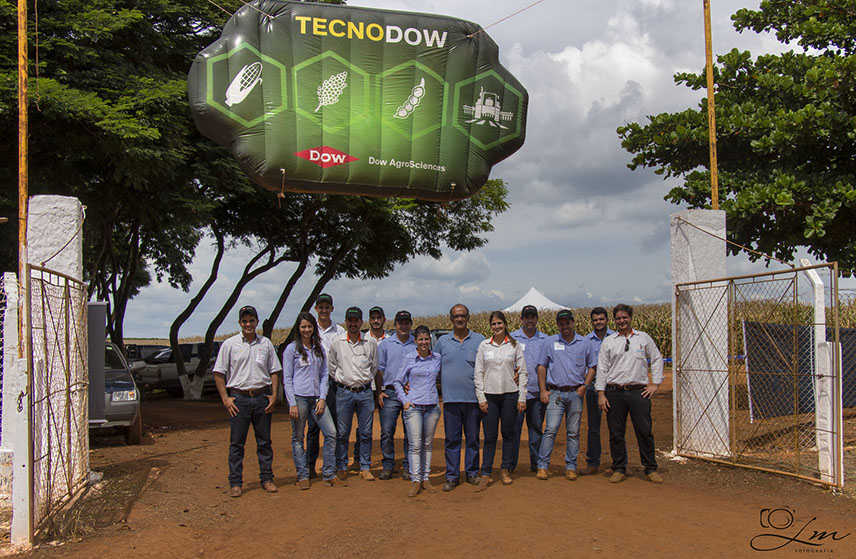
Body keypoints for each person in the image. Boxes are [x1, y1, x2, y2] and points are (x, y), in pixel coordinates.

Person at [212, 305, 282, 498]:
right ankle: (236, 483)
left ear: (257, 322)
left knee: (264, 442)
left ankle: (267, 479)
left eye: (251, 321)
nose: (248, 324)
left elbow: (274, 371)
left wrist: (274, 395)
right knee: (237, 444)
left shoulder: (265, 344)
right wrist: (225, 398)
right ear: (240, 323)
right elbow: (219, 373)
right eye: (245, 321)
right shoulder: (230, 345)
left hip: (262, 398)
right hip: (239, 400)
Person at [596, 304, 664, 484]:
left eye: (625, 317)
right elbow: (602, 368)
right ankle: (619, 468)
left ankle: (650, 468)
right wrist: (601, 393)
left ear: (631, 318)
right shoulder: (609, 341)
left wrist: (655, 384)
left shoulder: (643, 338)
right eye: (618, 318)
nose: (622, 321)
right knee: (616, 432)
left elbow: (657, 358)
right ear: (614, 320)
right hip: (614, 392)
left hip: (638, 392)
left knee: (644, 431)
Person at [282, 312, 347, 489]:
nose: (306, 330)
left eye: (309, 326)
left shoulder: (319, 349)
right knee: (298, 437)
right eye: (303, 326)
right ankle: (303, 475)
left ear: (313, 328)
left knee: (331, 433)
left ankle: (329, 473)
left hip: (317, 399)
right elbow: (287, 378)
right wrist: (292, 403)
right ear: (298, 328)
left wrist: (322, 398)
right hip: (299, 399)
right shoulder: (291, 350)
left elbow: (324, 375)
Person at [535, 309, 595, 481]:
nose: (565, 327)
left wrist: (585, 385)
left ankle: (571, 466)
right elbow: (541, 366)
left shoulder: (584, 343)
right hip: (556, 393)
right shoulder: (550, 342)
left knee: (573, 432)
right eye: (561, 324)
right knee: (551, 429)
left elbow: (592, 366)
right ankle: (542, 466)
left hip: (576, 393)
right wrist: (543, 390)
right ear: (557, 325)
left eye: (567, 323)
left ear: (573, 322)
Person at [473, 311, 527, 491]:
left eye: (499, 323)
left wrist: (522, 397)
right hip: (489, 396)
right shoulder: (484, 346)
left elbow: (523, 372)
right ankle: (486, 473)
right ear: (490, 326)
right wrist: (481, 397)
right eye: (493, 324)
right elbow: (478, 373)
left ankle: (505, 469)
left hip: (510, 395)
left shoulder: (514, 345)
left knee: (508, 434)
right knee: (489, 436)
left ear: (505, 324)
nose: (496, 327)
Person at [434, 304, 485, 492]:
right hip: (450, 400)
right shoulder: (442, 342)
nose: (459, 319)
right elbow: (432, 366)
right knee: (452, 440)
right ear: (451, 319)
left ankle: (472, 473)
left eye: (463, 315)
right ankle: (452, 476)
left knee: (473, 439)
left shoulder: (480, 340)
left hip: (473, 399)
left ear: (468, 318)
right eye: (456, 316)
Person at [328, 306, 380, 481]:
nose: (353, 324)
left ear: (361, 322)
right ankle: (342, 466)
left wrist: (363, 380)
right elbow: (332, 367)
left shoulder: (370, 342)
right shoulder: (337, 342)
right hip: (344, 392)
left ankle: (365, 466)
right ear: (345, 322)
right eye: (350, 320)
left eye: (356, 321)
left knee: (366, 432)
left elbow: (374, 367)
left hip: (365, 392)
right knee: (342, 433)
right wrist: (343, 380)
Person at [395, 325, 442, 497]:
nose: (424, 342)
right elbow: (397, 381)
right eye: (420, 339)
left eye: (426, 339)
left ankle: (426, 478)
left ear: (430, 340)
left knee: (428, 444)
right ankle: (416, 480)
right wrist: (405, 401)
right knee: (415, 445)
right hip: (414, 407)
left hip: (432, 406)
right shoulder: (409, 358)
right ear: (415, 341)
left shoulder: (436, 358)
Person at [306, 293, 345, 479]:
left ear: (332, 309)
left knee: (335, 426)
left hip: (334, 383)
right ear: (316, 309)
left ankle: (334, 464)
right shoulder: (309, 329)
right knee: (313, 428)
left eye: (327, 307)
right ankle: (310, 466)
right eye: (320, 307)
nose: (324, 310)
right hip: (313, 385)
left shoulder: (340, 331)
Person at [509, 305, 549, 473]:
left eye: (532, 317)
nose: (529, 320)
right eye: (526, 317)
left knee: (536, 430)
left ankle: (537, 465)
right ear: (521, 319)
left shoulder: (545, 339)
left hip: (537, 393)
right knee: (514, 431)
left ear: (537, 319)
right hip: (516, 393)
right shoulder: (512, 338)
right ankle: (510, 465)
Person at [377, 310, 416, 480]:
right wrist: (379, 391)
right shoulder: (385, 344)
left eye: (407, 323)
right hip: (390, 392)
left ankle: (408, 466)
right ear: (395, 325)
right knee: (387, 431)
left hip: (411, 393)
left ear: (411, 324)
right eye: (401, 323)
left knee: (410, 432)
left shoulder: (417, 343)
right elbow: (379, 370)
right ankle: (388, 465)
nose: (403, 326)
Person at [580, 307, 615, 476]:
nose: (598, 322)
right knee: (593, 426)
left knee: (616, 426)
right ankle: (593, 462)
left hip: (613, 387)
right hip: (593, 387)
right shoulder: (587, 341)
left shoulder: (616, 337)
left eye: (601, 319)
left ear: (607, 320)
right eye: (595, 320)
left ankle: (619, 463)